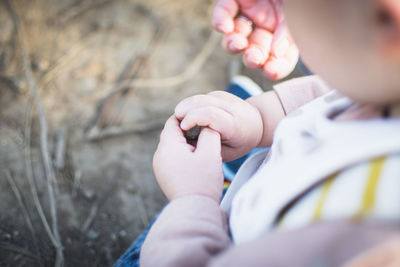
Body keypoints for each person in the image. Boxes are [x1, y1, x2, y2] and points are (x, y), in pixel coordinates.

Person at [138, 0, 400, 266]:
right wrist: (259, 119)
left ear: (386, 20)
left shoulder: (356, 244)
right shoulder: (381, 79)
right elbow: (330, 93)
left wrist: (193, 199)